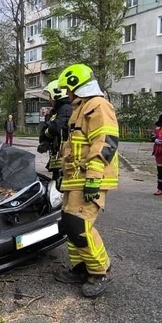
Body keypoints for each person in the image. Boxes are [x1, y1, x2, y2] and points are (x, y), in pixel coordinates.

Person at [51, 64, 119, 299]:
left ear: (75, 85)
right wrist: (61, 170)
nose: (65, 94)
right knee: (69, 224)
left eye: (67, 89)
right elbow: (74, 147)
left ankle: (100, 271)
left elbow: (105, 140)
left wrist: (94, 177)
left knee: (79, 226)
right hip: (75, 178)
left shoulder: (98, 105)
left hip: (90, 178)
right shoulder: (80, 108)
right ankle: (81, 267)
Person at [37, 80, 72, 184]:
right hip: (58, 154)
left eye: (50, 96)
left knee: (59, 185)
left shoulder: (65, 109)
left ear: (56, 94)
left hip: (64, 155)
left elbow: (56, 127)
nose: (50, 99)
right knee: (56, 181)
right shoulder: (59, 109)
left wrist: (45, 136)